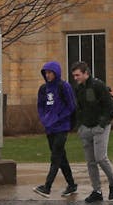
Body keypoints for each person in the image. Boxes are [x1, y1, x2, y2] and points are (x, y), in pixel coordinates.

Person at [71, 61, 113, 203]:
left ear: (86, 73)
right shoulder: (78, 89)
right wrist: (79, 126)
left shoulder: (98, 86)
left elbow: (109, 107)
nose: (75, 78)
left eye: (77, 75)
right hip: (86, 128)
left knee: (101, 158)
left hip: (100, 127)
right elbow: (78, 109)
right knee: (90, 162)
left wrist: (102, 124)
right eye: (74, 75)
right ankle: (96, 191)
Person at [34, 62, 79, 197]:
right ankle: (71, 185)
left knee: (55, 156)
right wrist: (45, 118)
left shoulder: (64, 86)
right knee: (61, 157)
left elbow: (71, 106)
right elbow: (40, 106)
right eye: (46, 72)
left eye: (50, 72)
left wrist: (58, 117)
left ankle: (47, 187)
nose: (48, 75)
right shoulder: (43, 89)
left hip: (62, 126)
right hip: (50, 127)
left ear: (56, 73)